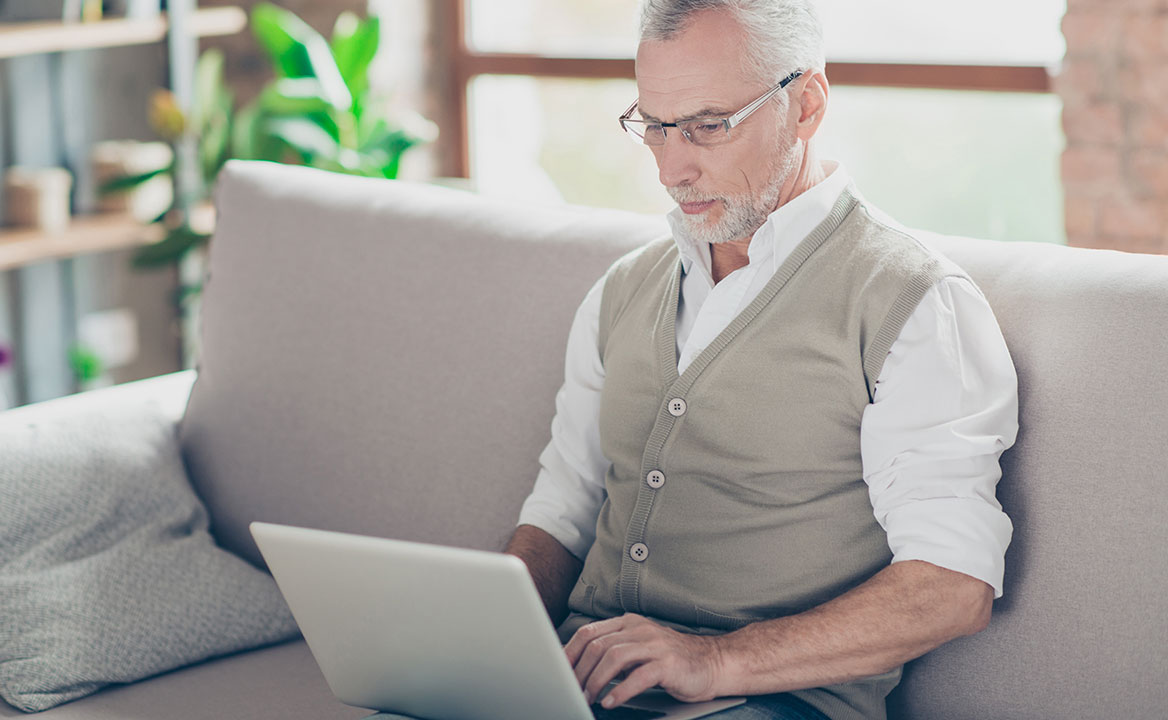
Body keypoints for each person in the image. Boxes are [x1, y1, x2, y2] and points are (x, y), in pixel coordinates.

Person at [379, 1, 1018, 719]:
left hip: (772, 703)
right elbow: (562, 511)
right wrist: (479, 643)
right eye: (654, 126)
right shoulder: (621, 290)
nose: (671, 169)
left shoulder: (913, 303)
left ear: (805, 104)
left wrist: (712, 661)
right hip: (576, 687)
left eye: (709, 126)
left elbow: (952, 585)